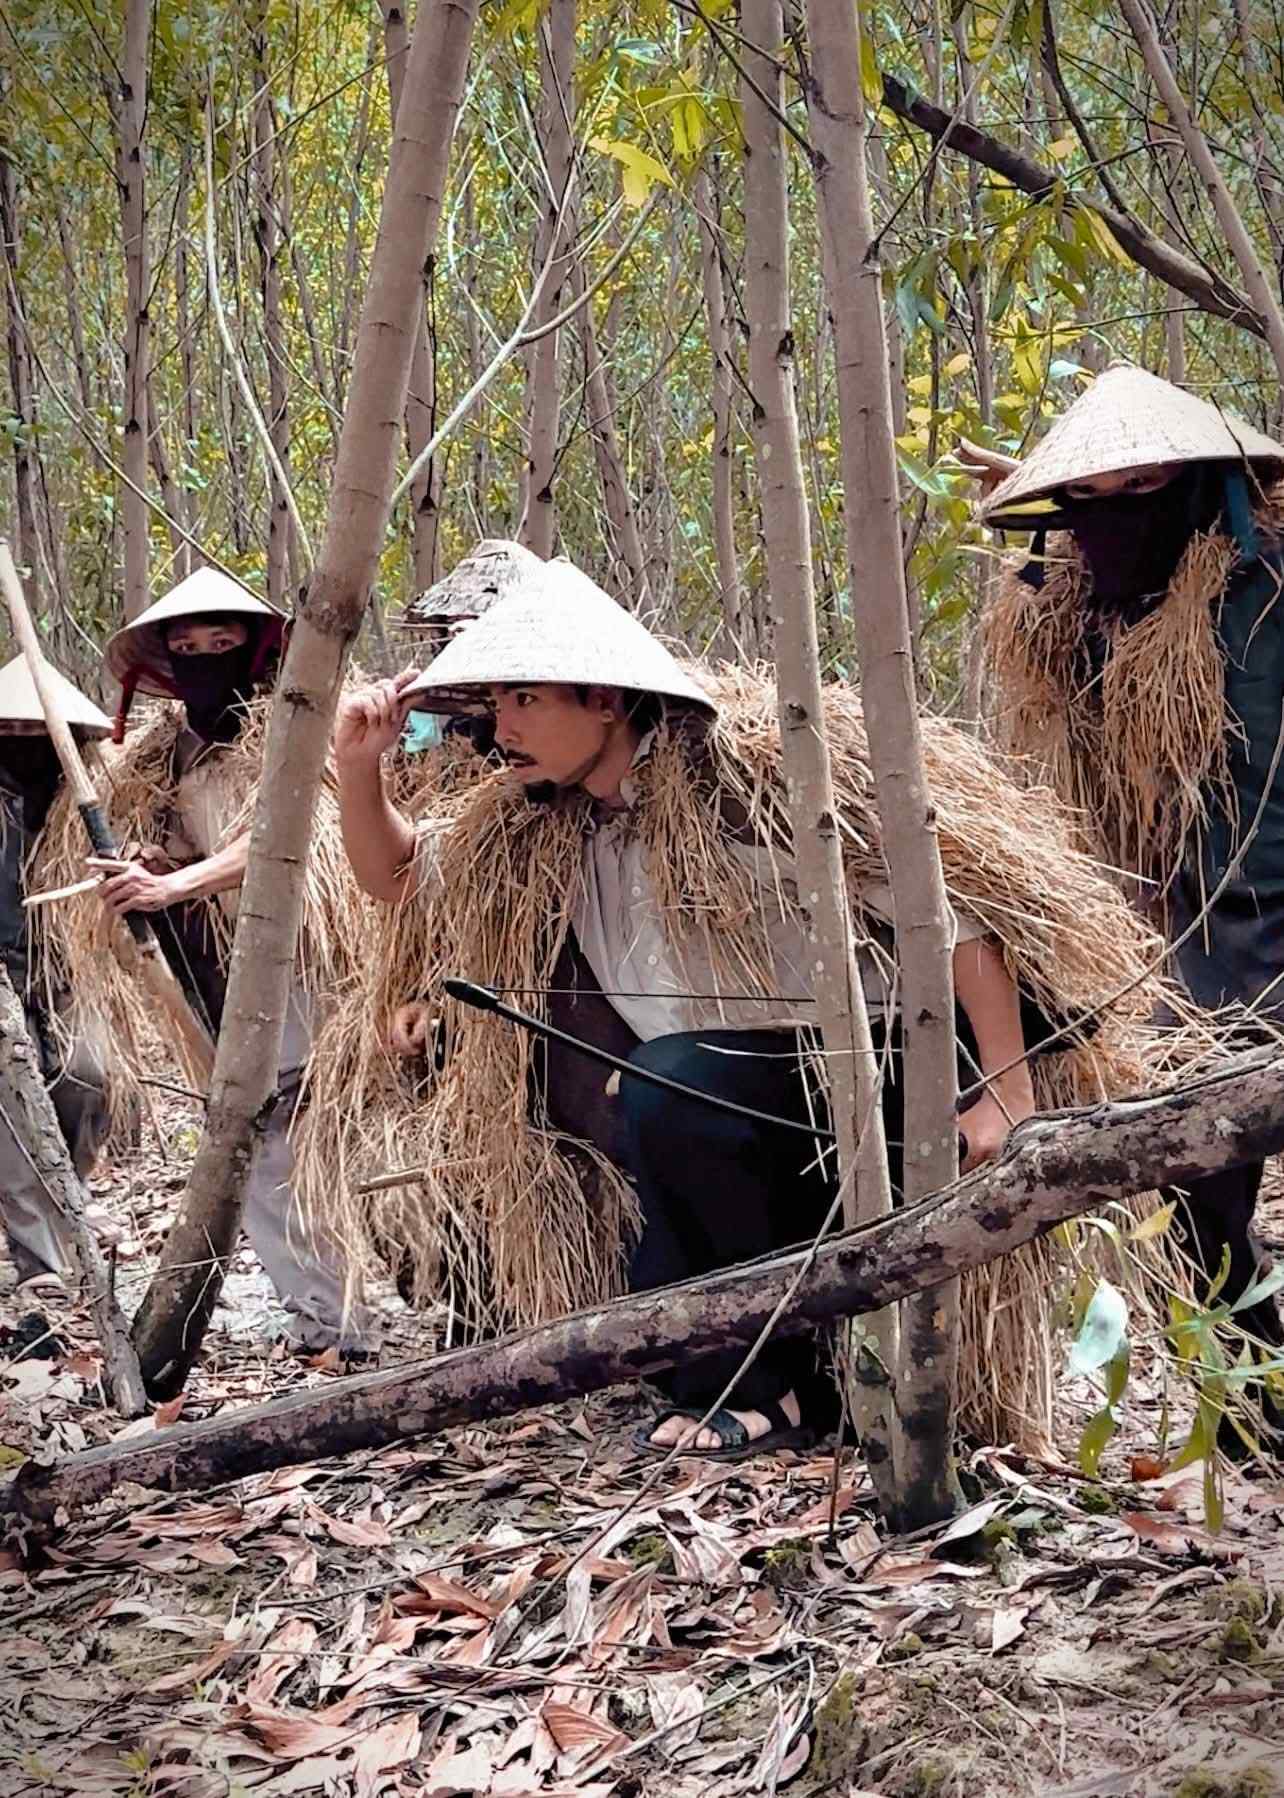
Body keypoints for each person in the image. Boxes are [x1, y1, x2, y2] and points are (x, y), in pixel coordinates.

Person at [332, 559, 1045, 1456]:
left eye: (525, 699)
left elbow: (947, 914)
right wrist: (358, 769)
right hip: (707, 1106)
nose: (501, 727)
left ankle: (770, 1389)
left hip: (869, 1073)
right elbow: (397, 877)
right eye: (496, 703)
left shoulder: (745, 785)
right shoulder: (541, 820)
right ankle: (770, 1371)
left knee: (666, 1083)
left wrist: (1007, 1087)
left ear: (603, 699)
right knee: (658, 1152)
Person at [967, 363, 1284, 1448]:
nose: (1114, 517)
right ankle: (1253, 1407)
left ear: (1199, 480)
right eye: (1088, 498)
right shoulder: (1104, 604)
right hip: (1187, 935)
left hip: (1261, 918)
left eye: (1141, 487)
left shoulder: (1267, 584)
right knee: (1191, 1174)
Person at [92, 566, 370, 1357]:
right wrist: (155, 864)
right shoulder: (181, 751)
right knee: (258, 1137)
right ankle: (323, 1317)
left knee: (308, 1132)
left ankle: (360, 1311)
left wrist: (174, 883)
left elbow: (287, 838)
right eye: (186, 650)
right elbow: (191, 843)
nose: (203, 659)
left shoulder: (295, 728)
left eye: (221, 644)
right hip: (227, 966)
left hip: (307, 958)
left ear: (255, 649)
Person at [0, 654, 112, 1288]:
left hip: (64, 970)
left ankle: (70, 1198)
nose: (23, 741)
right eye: (8, 730)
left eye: (35, 729)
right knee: (15, 1112)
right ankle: (38, 1261)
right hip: (3, 972)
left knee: (86, 1081)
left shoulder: (88, 802)